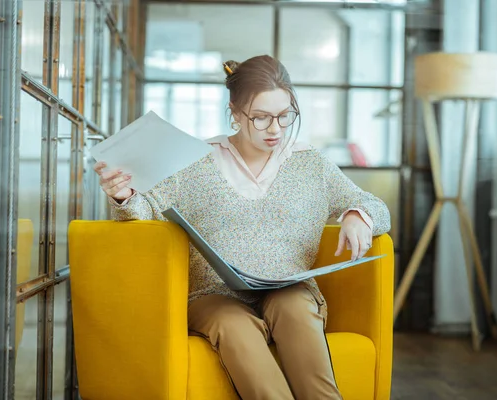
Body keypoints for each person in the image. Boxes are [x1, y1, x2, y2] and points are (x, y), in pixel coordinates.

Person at [94, 55, 391, 400]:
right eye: (261, 118)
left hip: (289, 289)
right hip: (213, 296)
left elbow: (376, 206)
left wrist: (357, 215)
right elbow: (145, 209)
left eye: (284, 116)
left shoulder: (311, 163)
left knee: (294, 310)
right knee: (233, 324)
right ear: (234, 113)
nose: (275, 130)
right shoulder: (196, 160)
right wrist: (123, 195)